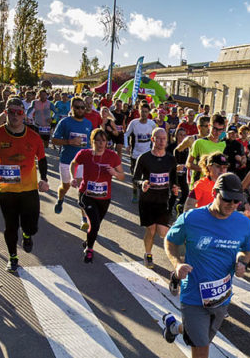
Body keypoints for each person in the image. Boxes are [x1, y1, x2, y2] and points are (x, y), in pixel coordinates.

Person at [161, 173, 250, 358]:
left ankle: (174, 328)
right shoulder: (192, 218)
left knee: (198, 337)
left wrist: (242, 262)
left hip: (222, 298)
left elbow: (247, 249)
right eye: (227, 200)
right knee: (201, 351)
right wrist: (177, 264)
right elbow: (170, 240)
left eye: (237, 201)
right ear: (215, 193)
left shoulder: (242, 223)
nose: (232, 205)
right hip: (193, 297)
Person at [0, 98, 50, 273]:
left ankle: (27, 235)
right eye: (11, 112)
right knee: (10, 226)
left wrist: (44, 179)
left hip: (29, 189)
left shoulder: (33, 136)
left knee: (32, 226)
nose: (14, 116)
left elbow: (42, 159)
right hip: (7, 189)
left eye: (18, 112)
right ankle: (12, 257)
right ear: (6, 113)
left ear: (23, 114)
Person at [72, 129, 124, 263]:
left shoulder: (112, 156)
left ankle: (88, 240)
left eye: (103, 141)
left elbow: (122, 176)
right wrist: (74, 178)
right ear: (92, 141)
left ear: (107, 142)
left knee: (95, 225)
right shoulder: (84, 154)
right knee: (94, 223)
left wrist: (114, 173)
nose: (101, 144)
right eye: (98, 141)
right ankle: (89, 249)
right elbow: (74, 164)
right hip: (86, 194)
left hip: (104, 198)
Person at [133, 128, 178, 268]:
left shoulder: (171, 159)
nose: (161, 141)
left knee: (162, 232)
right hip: (147, 200)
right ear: (152, 139)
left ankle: (177, 252)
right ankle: (148, 254)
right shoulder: (144, 158)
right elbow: (135, 179)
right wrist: (142, 184)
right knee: (151, 229)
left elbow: (173, 180)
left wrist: (175, 188)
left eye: (164, 138)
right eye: (158, 138)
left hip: (163, 200)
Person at [52, 96, 94, 217]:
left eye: (82, 107)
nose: (80, 110)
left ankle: (84, 217)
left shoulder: (88, 123)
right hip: (67, 160)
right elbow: (54, 140)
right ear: (72, 108)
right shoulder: (64, 122)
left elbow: (91, 142)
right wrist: (69, 142)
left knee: (82, 189)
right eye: (77, 107)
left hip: (83, 163)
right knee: (65, 187)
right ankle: (60, 199)